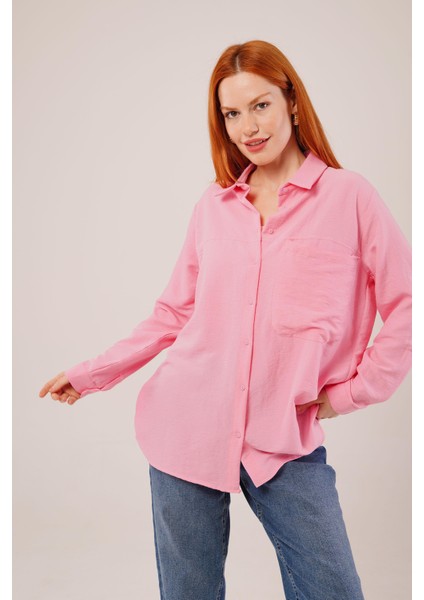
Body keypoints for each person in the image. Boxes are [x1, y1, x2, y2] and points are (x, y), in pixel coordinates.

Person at [39, 40, 412, 600]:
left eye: (260, 105)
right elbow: (173, 313)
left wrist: (354, 392)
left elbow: (407, 303)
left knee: (333, 588)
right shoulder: (213, 207)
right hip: (186, 425)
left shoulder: (350, 197)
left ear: (292, 101)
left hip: (285, 435)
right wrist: (92, 373)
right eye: (232, 113)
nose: (248, 127)